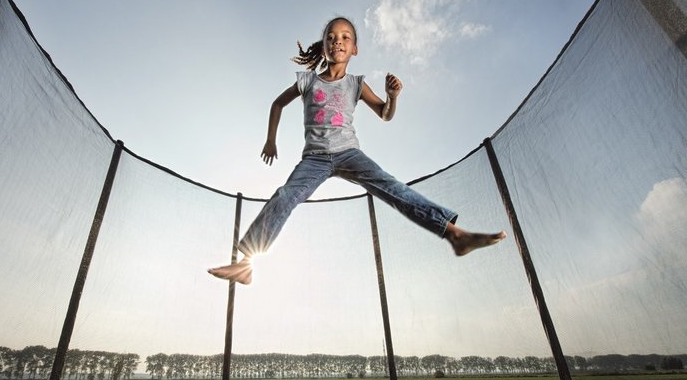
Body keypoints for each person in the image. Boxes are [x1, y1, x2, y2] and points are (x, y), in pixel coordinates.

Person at [209, 17, 506, 285]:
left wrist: (392, 97)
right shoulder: (308, 80)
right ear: (324, 47)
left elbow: (385, 114)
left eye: (345, 37)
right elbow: (277, 103)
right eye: (332, 37)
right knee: (286, 195)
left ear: (355, 49)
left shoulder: (356, 84)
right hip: (313, 159)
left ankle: (454, 234)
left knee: (393, 188)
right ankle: (246, 264)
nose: (338, 40)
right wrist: (270, 140)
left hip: (349, 153)